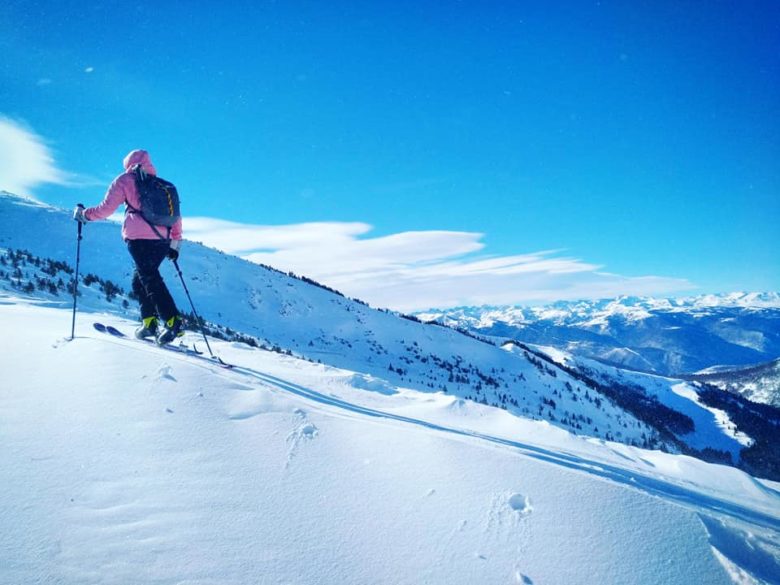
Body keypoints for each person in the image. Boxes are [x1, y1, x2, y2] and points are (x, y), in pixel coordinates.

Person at [73, 149, 184, 345]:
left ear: (128, 164)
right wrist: (175, 244)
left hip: (139, 239)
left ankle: (172, 321)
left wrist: (84, 215)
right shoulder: (163, 186)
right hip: (163, 242)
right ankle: (149, 323)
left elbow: (105, 209)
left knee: (149, 278)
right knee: (140, 279)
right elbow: (176, 218)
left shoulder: (125, 179)